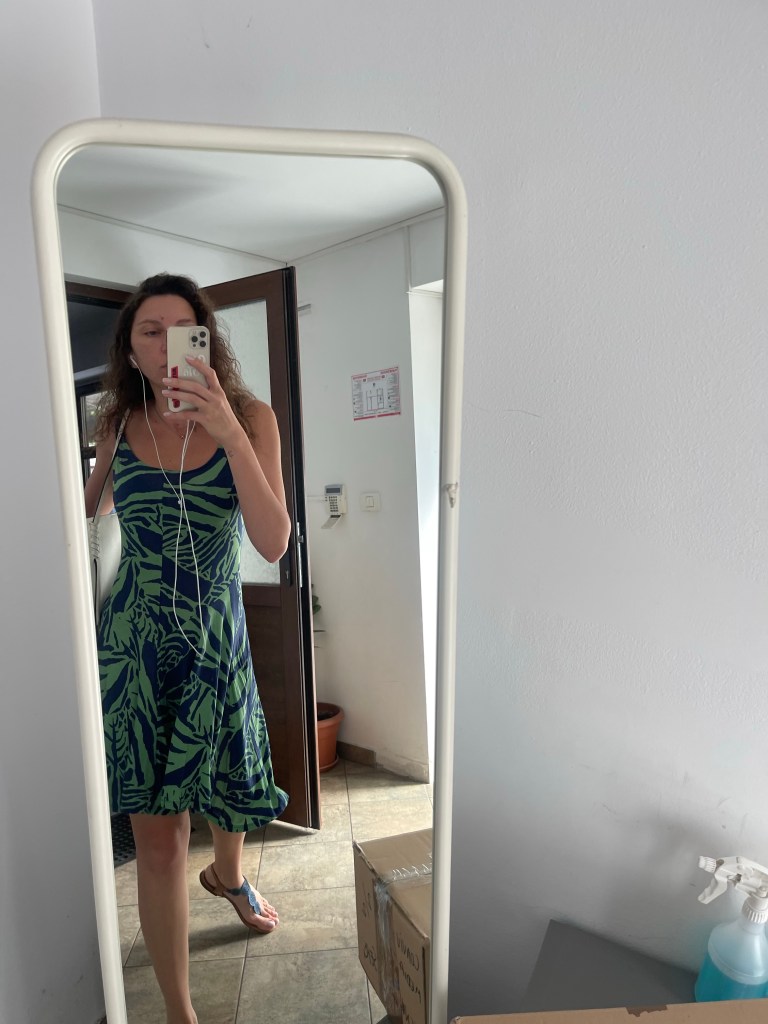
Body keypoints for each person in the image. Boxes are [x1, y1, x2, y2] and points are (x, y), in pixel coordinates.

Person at [84, 273, 291, 1024]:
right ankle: (181, 1012)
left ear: (204, 338)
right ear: (132, 349)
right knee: (160, 843)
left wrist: (229, 434)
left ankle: (229, 876)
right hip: (134, 650)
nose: (167, 343)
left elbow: (272, 541)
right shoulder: (118, 423)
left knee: (229, 790)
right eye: (151, 330)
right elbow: (84, 512)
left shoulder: (251, 417)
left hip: (214, 641)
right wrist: (90, 465)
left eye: (182, 328)